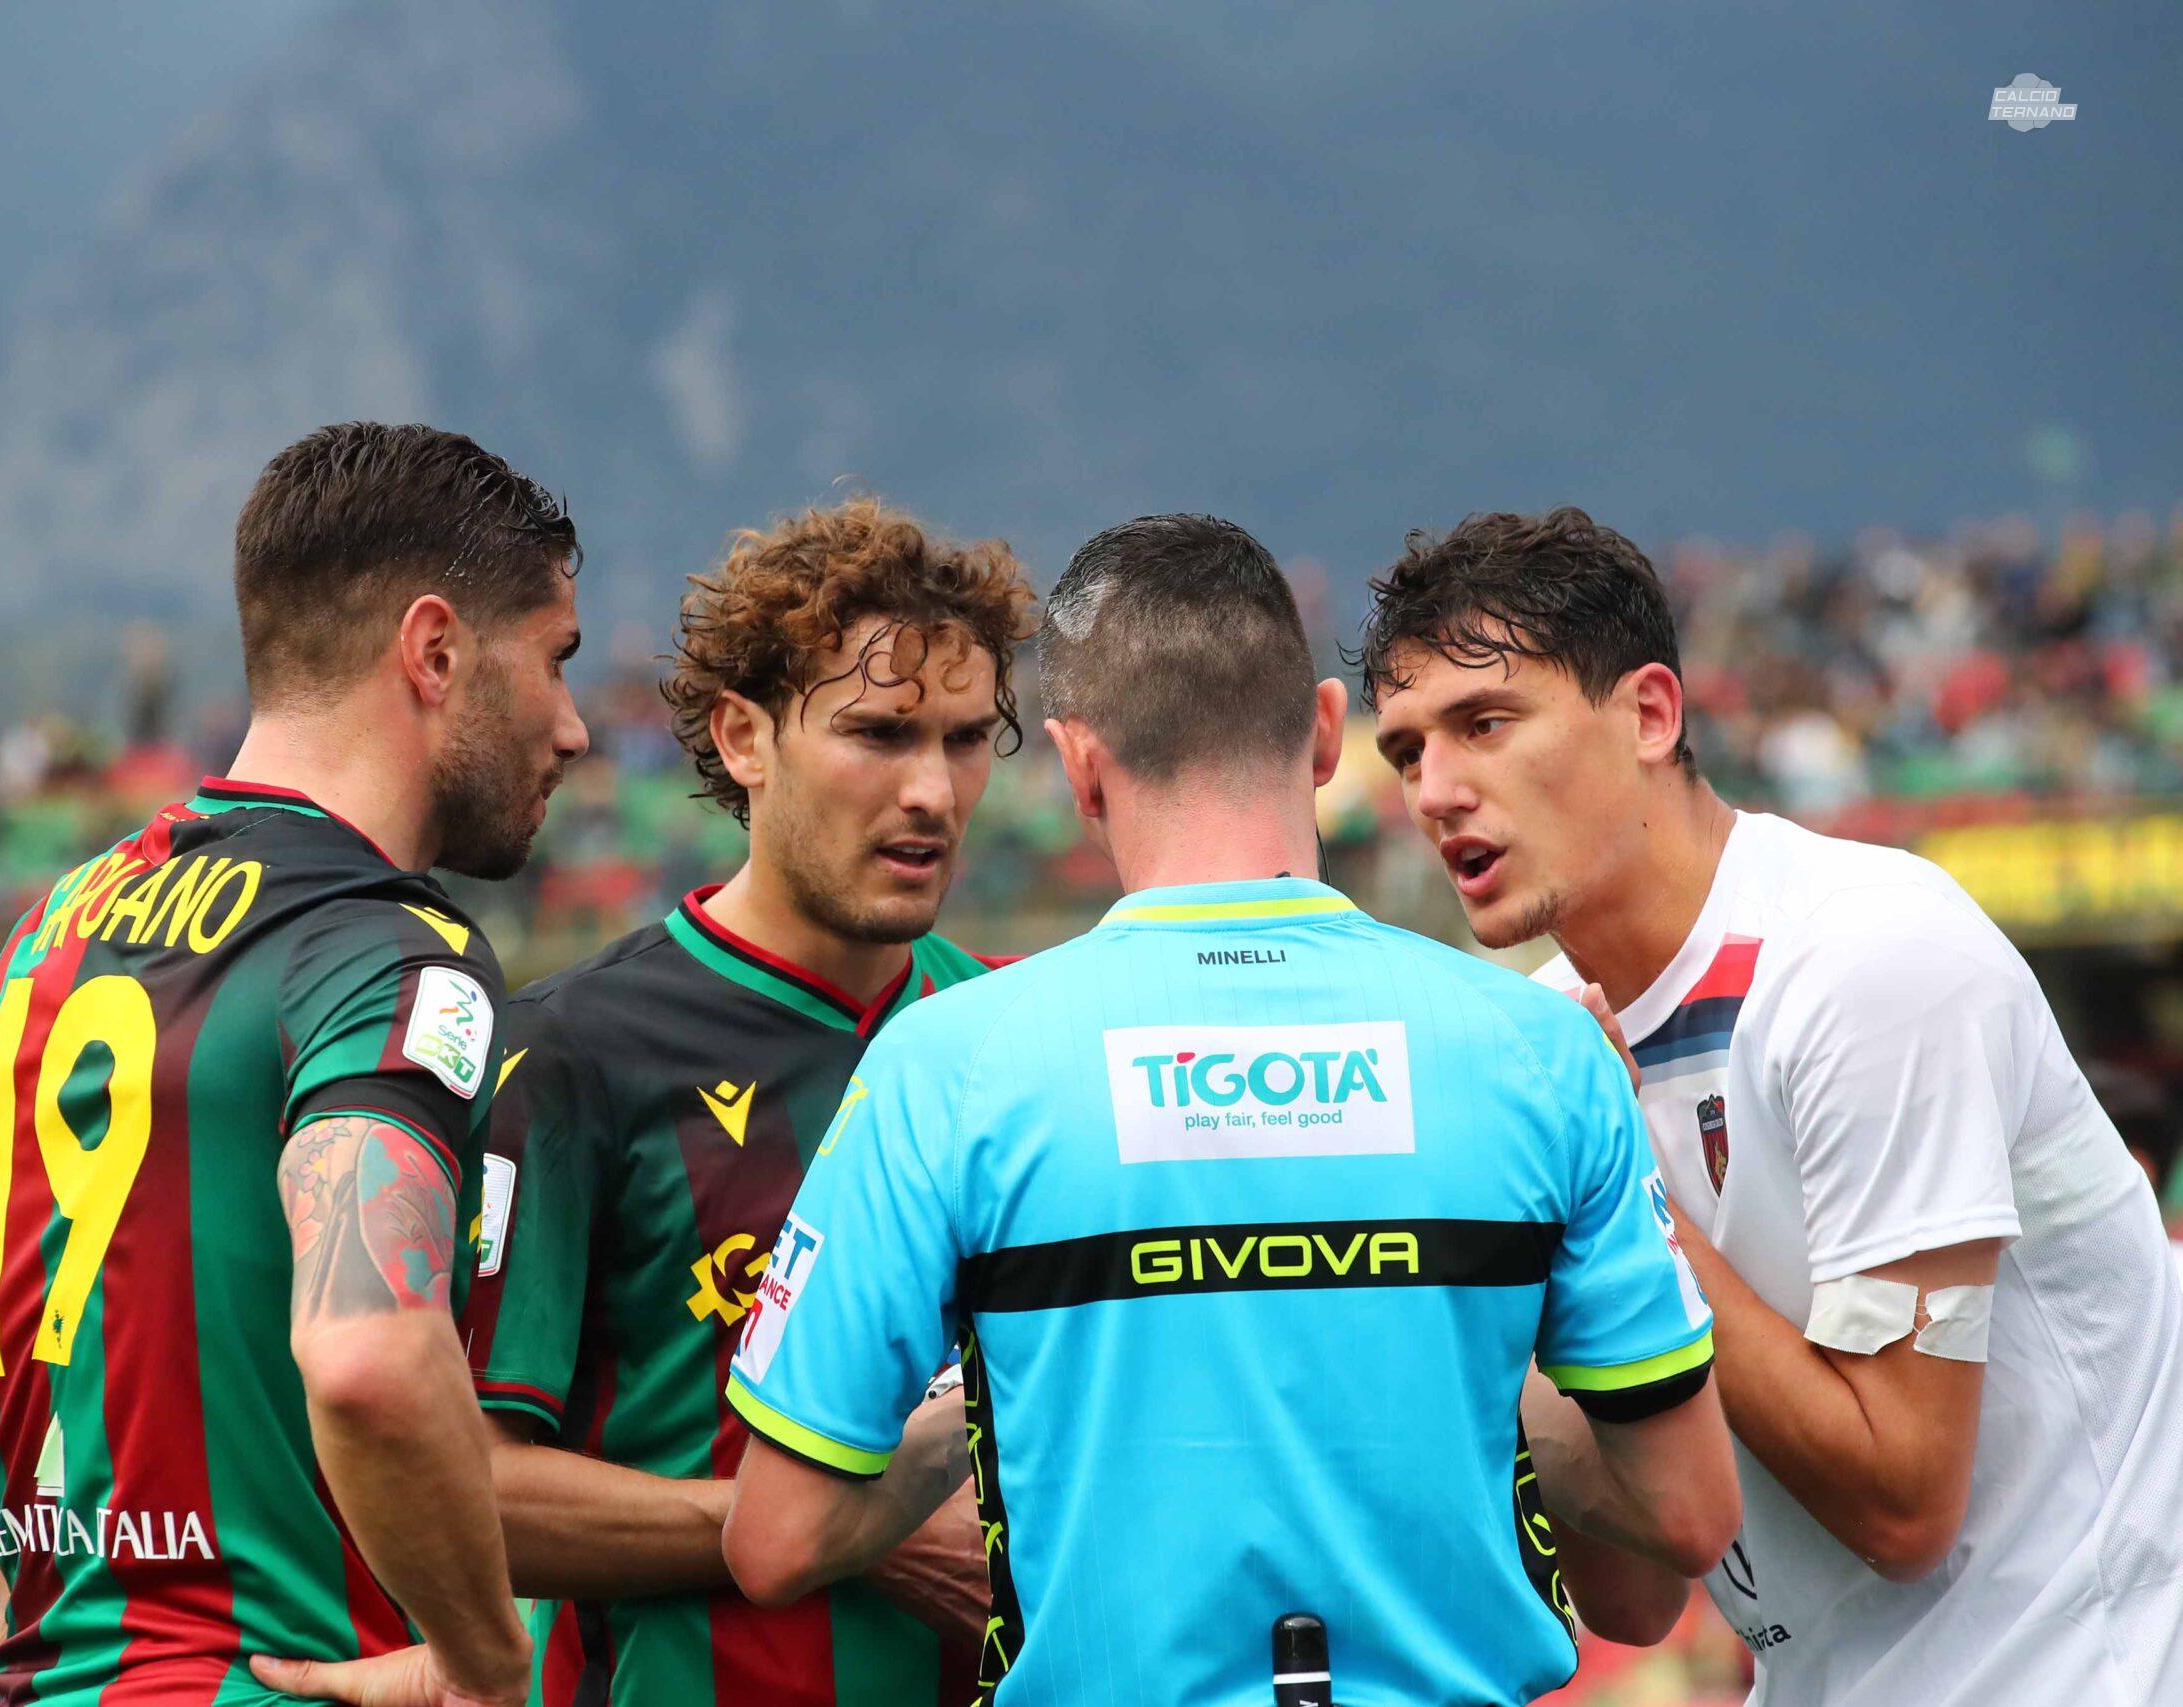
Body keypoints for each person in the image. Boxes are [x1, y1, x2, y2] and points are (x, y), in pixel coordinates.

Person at [716, 515, 1739, 1707]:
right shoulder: (1542, 1049)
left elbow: (774, 1542)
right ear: (1319, 733)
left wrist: (971, 1397)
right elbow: (1687, 1517)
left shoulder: (946, 1064)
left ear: (1077, 763)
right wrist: (1470, 1338)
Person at [0, 422, 588, 1707]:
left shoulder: (63, 927)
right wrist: (488, 1669)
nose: (576, 727)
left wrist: (8, 1645)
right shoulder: (389, 955)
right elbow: (370, 1358)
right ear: (434, 652)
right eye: (556, 662)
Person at [1358, 506, 2183, 1706]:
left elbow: (1904, 1505)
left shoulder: (1866, 959)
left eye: (1484, 724)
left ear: (1649, 713)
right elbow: (1634, 1597)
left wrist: (1613, 1187)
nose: (1435, 790)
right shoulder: (1541, 1039)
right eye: (1405, 752)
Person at [266, 496, 1034, 1707]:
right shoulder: (575, 1054)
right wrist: (836, 1523)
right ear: (743, 736)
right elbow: (471, 1487)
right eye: (880, 734)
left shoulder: (1020, 1036)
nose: (934, 792)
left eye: (965, 738)